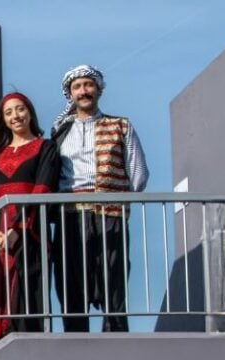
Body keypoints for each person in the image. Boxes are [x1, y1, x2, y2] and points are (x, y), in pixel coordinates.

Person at [49, 64, 149, 333]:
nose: (84, 91)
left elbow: (138, 173)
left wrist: (116, 193)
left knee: (112, 280)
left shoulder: (120, 125)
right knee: (71, 283)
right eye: (77, 87)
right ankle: (76, 343)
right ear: (70, 94)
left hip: (109, 212)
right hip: (70, 214)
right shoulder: (60, 131)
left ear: (98, 89)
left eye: (88, 85)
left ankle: (116, 340)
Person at [0, 92, 61, 345]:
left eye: (20, 109)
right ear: (3, 120)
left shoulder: (45, 147)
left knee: (28, 285)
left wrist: (19, 228)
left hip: (29, 229)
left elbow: (42, 189)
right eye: (9, 112)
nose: (16, 116)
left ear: (30, 112)